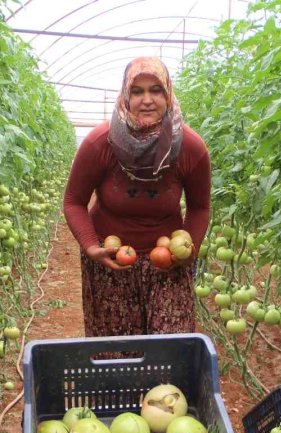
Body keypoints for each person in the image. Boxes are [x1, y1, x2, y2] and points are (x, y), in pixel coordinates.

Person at [62, 56, 211, 337]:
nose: (147, 100)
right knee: (116, 348)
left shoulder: (190, 148)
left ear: (168, 94)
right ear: (125, 95)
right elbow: (73, 201)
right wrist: (91, 246)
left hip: (167, 262)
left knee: (170, 344)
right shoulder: (99, 144)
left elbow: (200, 208)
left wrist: (188, 250)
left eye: (156, 90)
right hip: (112, 260)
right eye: (137, 91)